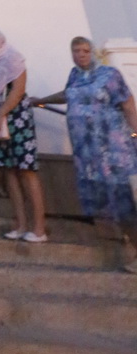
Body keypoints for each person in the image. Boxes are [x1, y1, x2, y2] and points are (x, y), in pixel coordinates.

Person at [31, 37, 137, 270]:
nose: (81, 54)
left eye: (86, 50)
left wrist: (136, 134)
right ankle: (121, 248)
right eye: (77, 51)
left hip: (112, 151)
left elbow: (128, 105)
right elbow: (67, 95)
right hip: (88, 156)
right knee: (103, 204)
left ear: (93, 52)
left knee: (122, 201)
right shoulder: (75, 76)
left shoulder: (110, 75)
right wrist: (40, 101)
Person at [0, 24, 46, 242]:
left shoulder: (13, 58)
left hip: (16, 118)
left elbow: (18, 90)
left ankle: (39, 228)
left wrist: (1, 114)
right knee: (8, 171)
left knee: (25, 170)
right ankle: (20, 223)